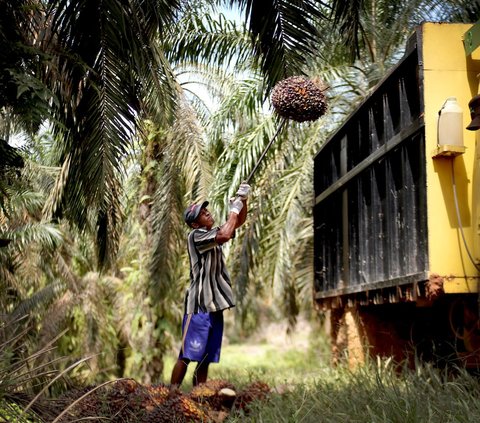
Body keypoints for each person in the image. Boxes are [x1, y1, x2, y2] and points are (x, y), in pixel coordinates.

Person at [170, 182, 250, 387]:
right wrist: (234, 209)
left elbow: (235, 225)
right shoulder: (196, 236)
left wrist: (243, 201)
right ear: (195, 224)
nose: (207, 212)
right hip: (198, 308)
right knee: (187, 355)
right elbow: (225, 234)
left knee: (205, 358)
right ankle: (171, 396)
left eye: (206, 210)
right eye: (202, 213)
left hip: (214, 306)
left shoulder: (210, 233)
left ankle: (199, 399)